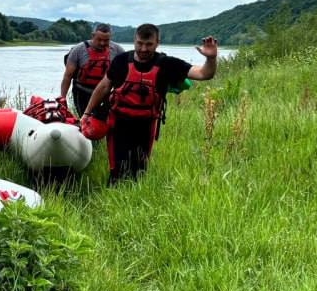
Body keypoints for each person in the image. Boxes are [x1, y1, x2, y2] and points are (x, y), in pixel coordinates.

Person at [82, 23, 218, 184]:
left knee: (139, 172)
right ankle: (113, 197)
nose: (144, 49)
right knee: (117, 171)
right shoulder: (121, 61)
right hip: (118, 123)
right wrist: (86, 113)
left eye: (149, 44)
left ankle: (134, 201)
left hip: (146, 125)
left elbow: (204, 74)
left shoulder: (167, 64)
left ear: (157, 43)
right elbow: (103, 86)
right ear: (134, 41)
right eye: (140, 43)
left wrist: (211, 58)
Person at [60, 23, 124, 117]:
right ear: (93, 35)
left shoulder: (117, 50)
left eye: (106, 40)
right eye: (99, 39)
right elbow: (67, 76)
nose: (102, 43)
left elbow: (126, 72)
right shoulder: (78, 50)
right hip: (82, 93)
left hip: (105, 93)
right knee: (87, 121)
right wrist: (62, 99)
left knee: (106, 121)